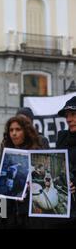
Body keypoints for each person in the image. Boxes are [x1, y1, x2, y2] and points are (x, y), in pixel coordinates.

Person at [0, 116, 42, 229]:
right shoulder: (6, 154)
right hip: (9, 212)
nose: (14, 133)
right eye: (11, 130)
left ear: (26, 131)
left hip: (29, 213)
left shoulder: (36, 152)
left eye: (18, 129)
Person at [53, 96, 76, 227]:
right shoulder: (62, 138)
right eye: (67, 115)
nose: (68, 119)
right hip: (64, 212)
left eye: (73, 114)